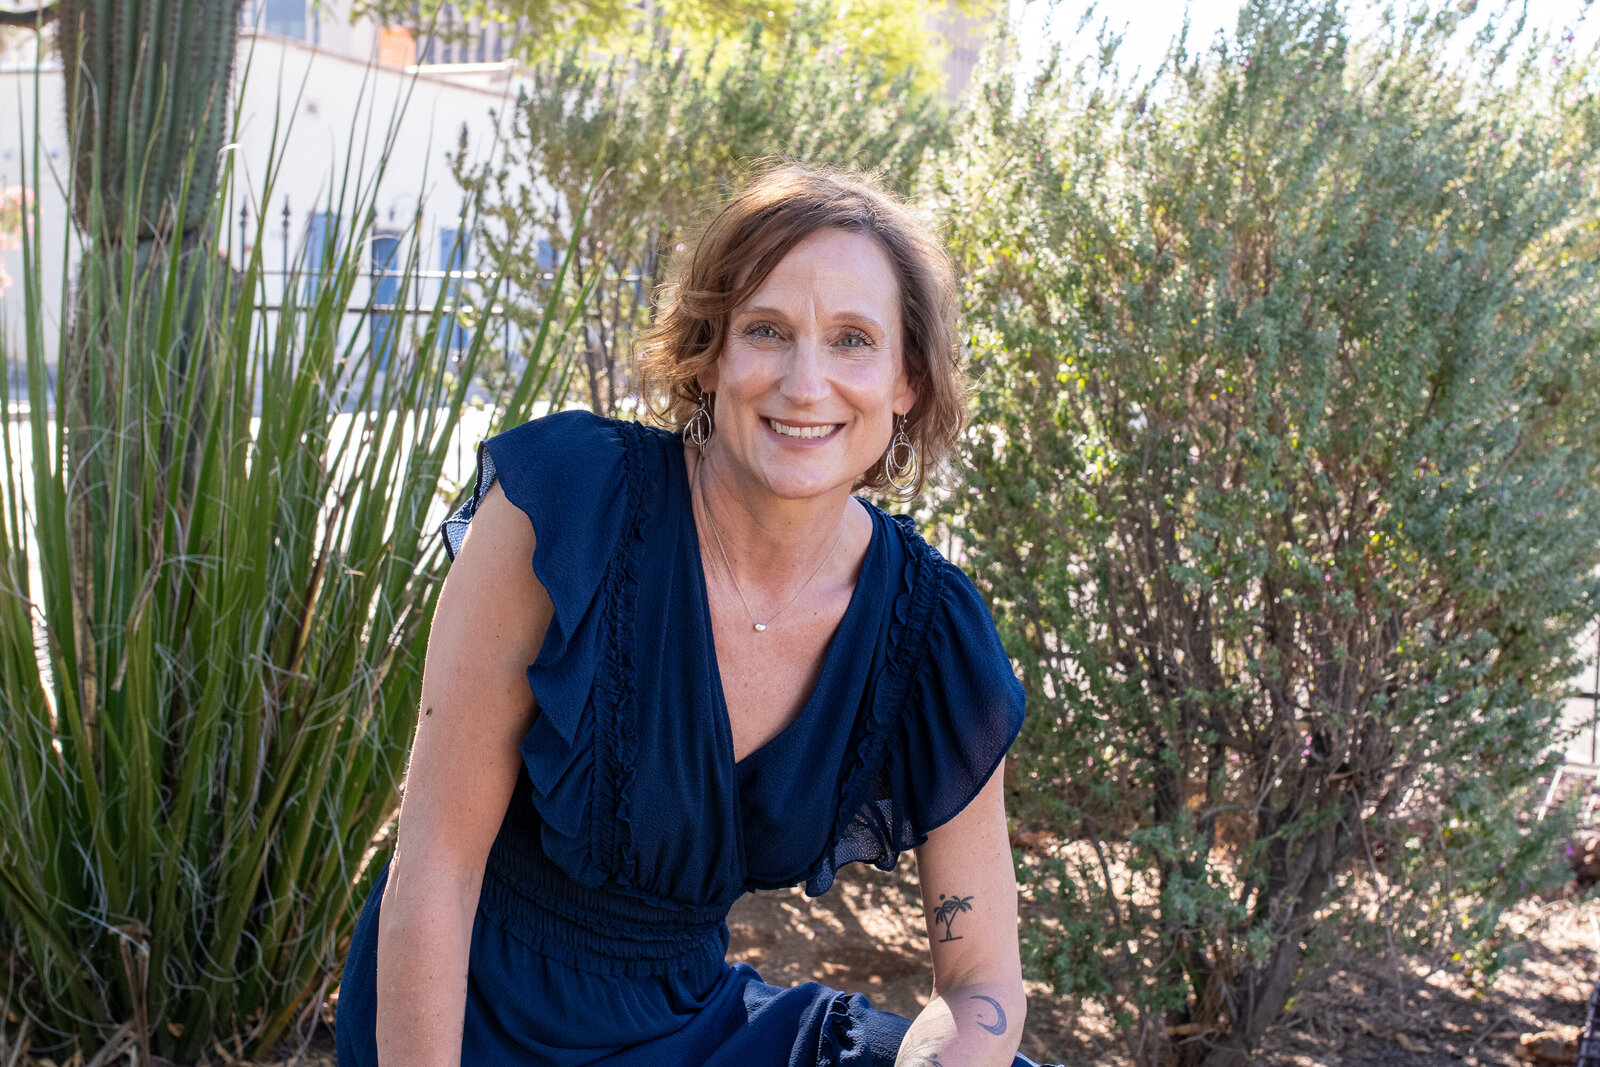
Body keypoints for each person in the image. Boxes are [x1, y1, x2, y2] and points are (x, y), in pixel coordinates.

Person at [335, 164, 1058, 1067]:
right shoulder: (567, 505)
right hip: (474, 1015)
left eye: (851, 340)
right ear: (711, 353)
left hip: (692, 1027)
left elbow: (983, 983)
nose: (805, 382)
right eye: (767, 330)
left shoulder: (927, 630)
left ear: (907, 378)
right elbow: (434, 871)